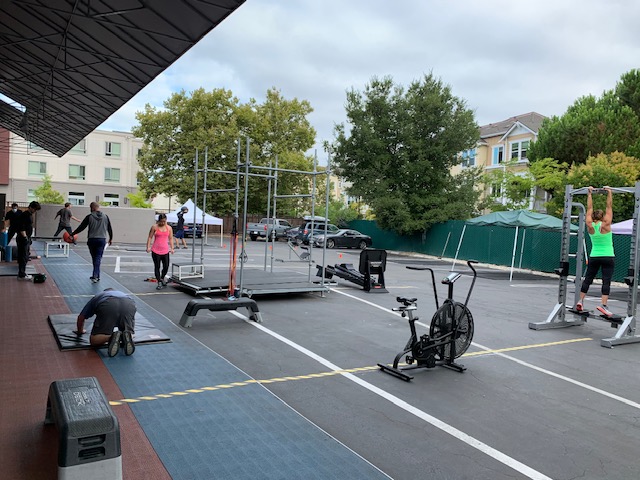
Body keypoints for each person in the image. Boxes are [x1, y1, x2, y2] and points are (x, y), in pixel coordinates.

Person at [576, 186, 615, 317]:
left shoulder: (590, 225)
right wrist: (609, 192)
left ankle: (580, 301)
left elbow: (589, 209)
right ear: (603, 217)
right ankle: (603, 305)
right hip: (608, 256)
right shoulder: (606, 224)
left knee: (588, 279)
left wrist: (589, 194)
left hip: (594, 256)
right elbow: (609, 206)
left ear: (593, 217)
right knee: (606, 281)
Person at [74, 288, 136, 357]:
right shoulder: (124, 294)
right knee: (128, 332)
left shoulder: (99, 295)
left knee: (94, 341)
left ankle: (111, 337)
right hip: (129, 304)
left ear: (105, 291)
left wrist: (80, 331)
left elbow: (81, 317)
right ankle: (126, 336)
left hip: (108, 304)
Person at [72, 202, 113, 283]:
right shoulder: (106, 217)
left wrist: (72, 234)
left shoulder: (89, 217)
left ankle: (95, 275)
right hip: (101, 239)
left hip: (92, 240)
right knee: (98, 258)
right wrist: (111, 238)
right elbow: (109, 228)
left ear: (92, 208)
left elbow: (81, 227)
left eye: (90, 208)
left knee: (95, 258)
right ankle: (97, 275)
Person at [146, 213, 175, 290]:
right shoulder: (154, 227)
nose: (162, 223)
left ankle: (162, 278)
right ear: (158, 220)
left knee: (166, 266)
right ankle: (159, 281)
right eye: (161, 221)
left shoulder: (169, 228)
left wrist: (172, 248)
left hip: (165, 250)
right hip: (156, 250)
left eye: (164, 221)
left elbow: (171, 238)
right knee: (157, 266)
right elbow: (150, 237)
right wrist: (148, 247)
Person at [14, 201, 41, 280]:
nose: (35, 211)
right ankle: (21, 275)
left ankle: (22, 273)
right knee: (23, 256)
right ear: (31, 207)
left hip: (27, 237)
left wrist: (29, 238)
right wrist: (25, 237)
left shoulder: (29, 215)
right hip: (22, 238)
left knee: (25, 256)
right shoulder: (24, 215)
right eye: (35, 209)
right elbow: (21, 227)